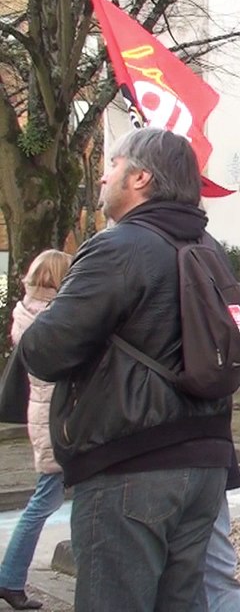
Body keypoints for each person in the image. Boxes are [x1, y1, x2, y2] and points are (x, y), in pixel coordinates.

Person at [8, 127, 238, 611]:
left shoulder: (117, 246)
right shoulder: (209, 248)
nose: (102, 177)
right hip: (207, 464)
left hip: (130, 466)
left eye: (110, 166)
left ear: (140, 177)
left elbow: (47, 352)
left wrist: (32, 325)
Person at [0, 250, 72, 610]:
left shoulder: (25, 313)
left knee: (49, 497)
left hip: (42, 415)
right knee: (45, 499)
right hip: (57, 420)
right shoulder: (54, 317)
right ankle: (9, 579)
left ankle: (9, 578)